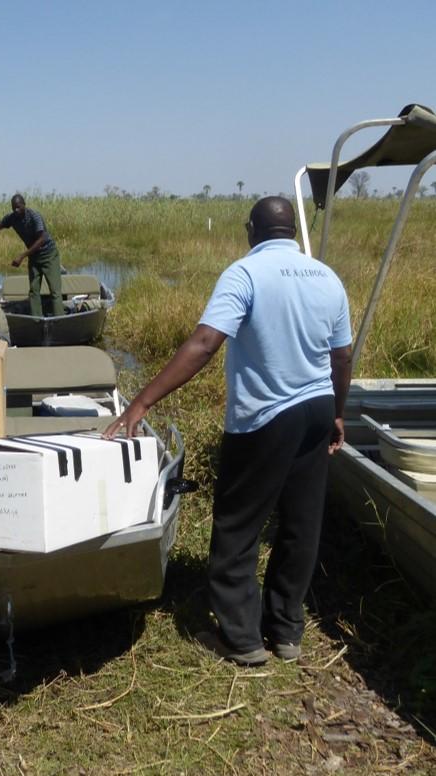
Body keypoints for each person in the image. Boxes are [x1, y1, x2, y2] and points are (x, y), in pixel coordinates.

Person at [104, 197, 352, 666]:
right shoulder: (326, 277)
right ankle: (285, 631)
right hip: (317, 409)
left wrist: (141, 401)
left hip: (266, 417)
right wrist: (337, 413)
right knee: (301, 524)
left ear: (251, 230)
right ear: (291, 232)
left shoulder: (245, 274)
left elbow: (204, 342)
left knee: (239, 523)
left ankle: (242, 639)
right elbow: (341, 357)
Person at [0, 194, 63, 317]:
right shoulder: (12, 218)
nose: (16, 211)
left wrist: (22, 256)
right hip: (34, 257)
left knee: (55, 291)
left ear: (24, 204)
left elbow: (41, 239)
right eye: (13, 208)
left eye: (18, 207)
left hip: (49, 255)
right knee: (34, 291)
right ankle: (36, 320)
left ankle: (59, 319)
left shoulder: (34, 216)